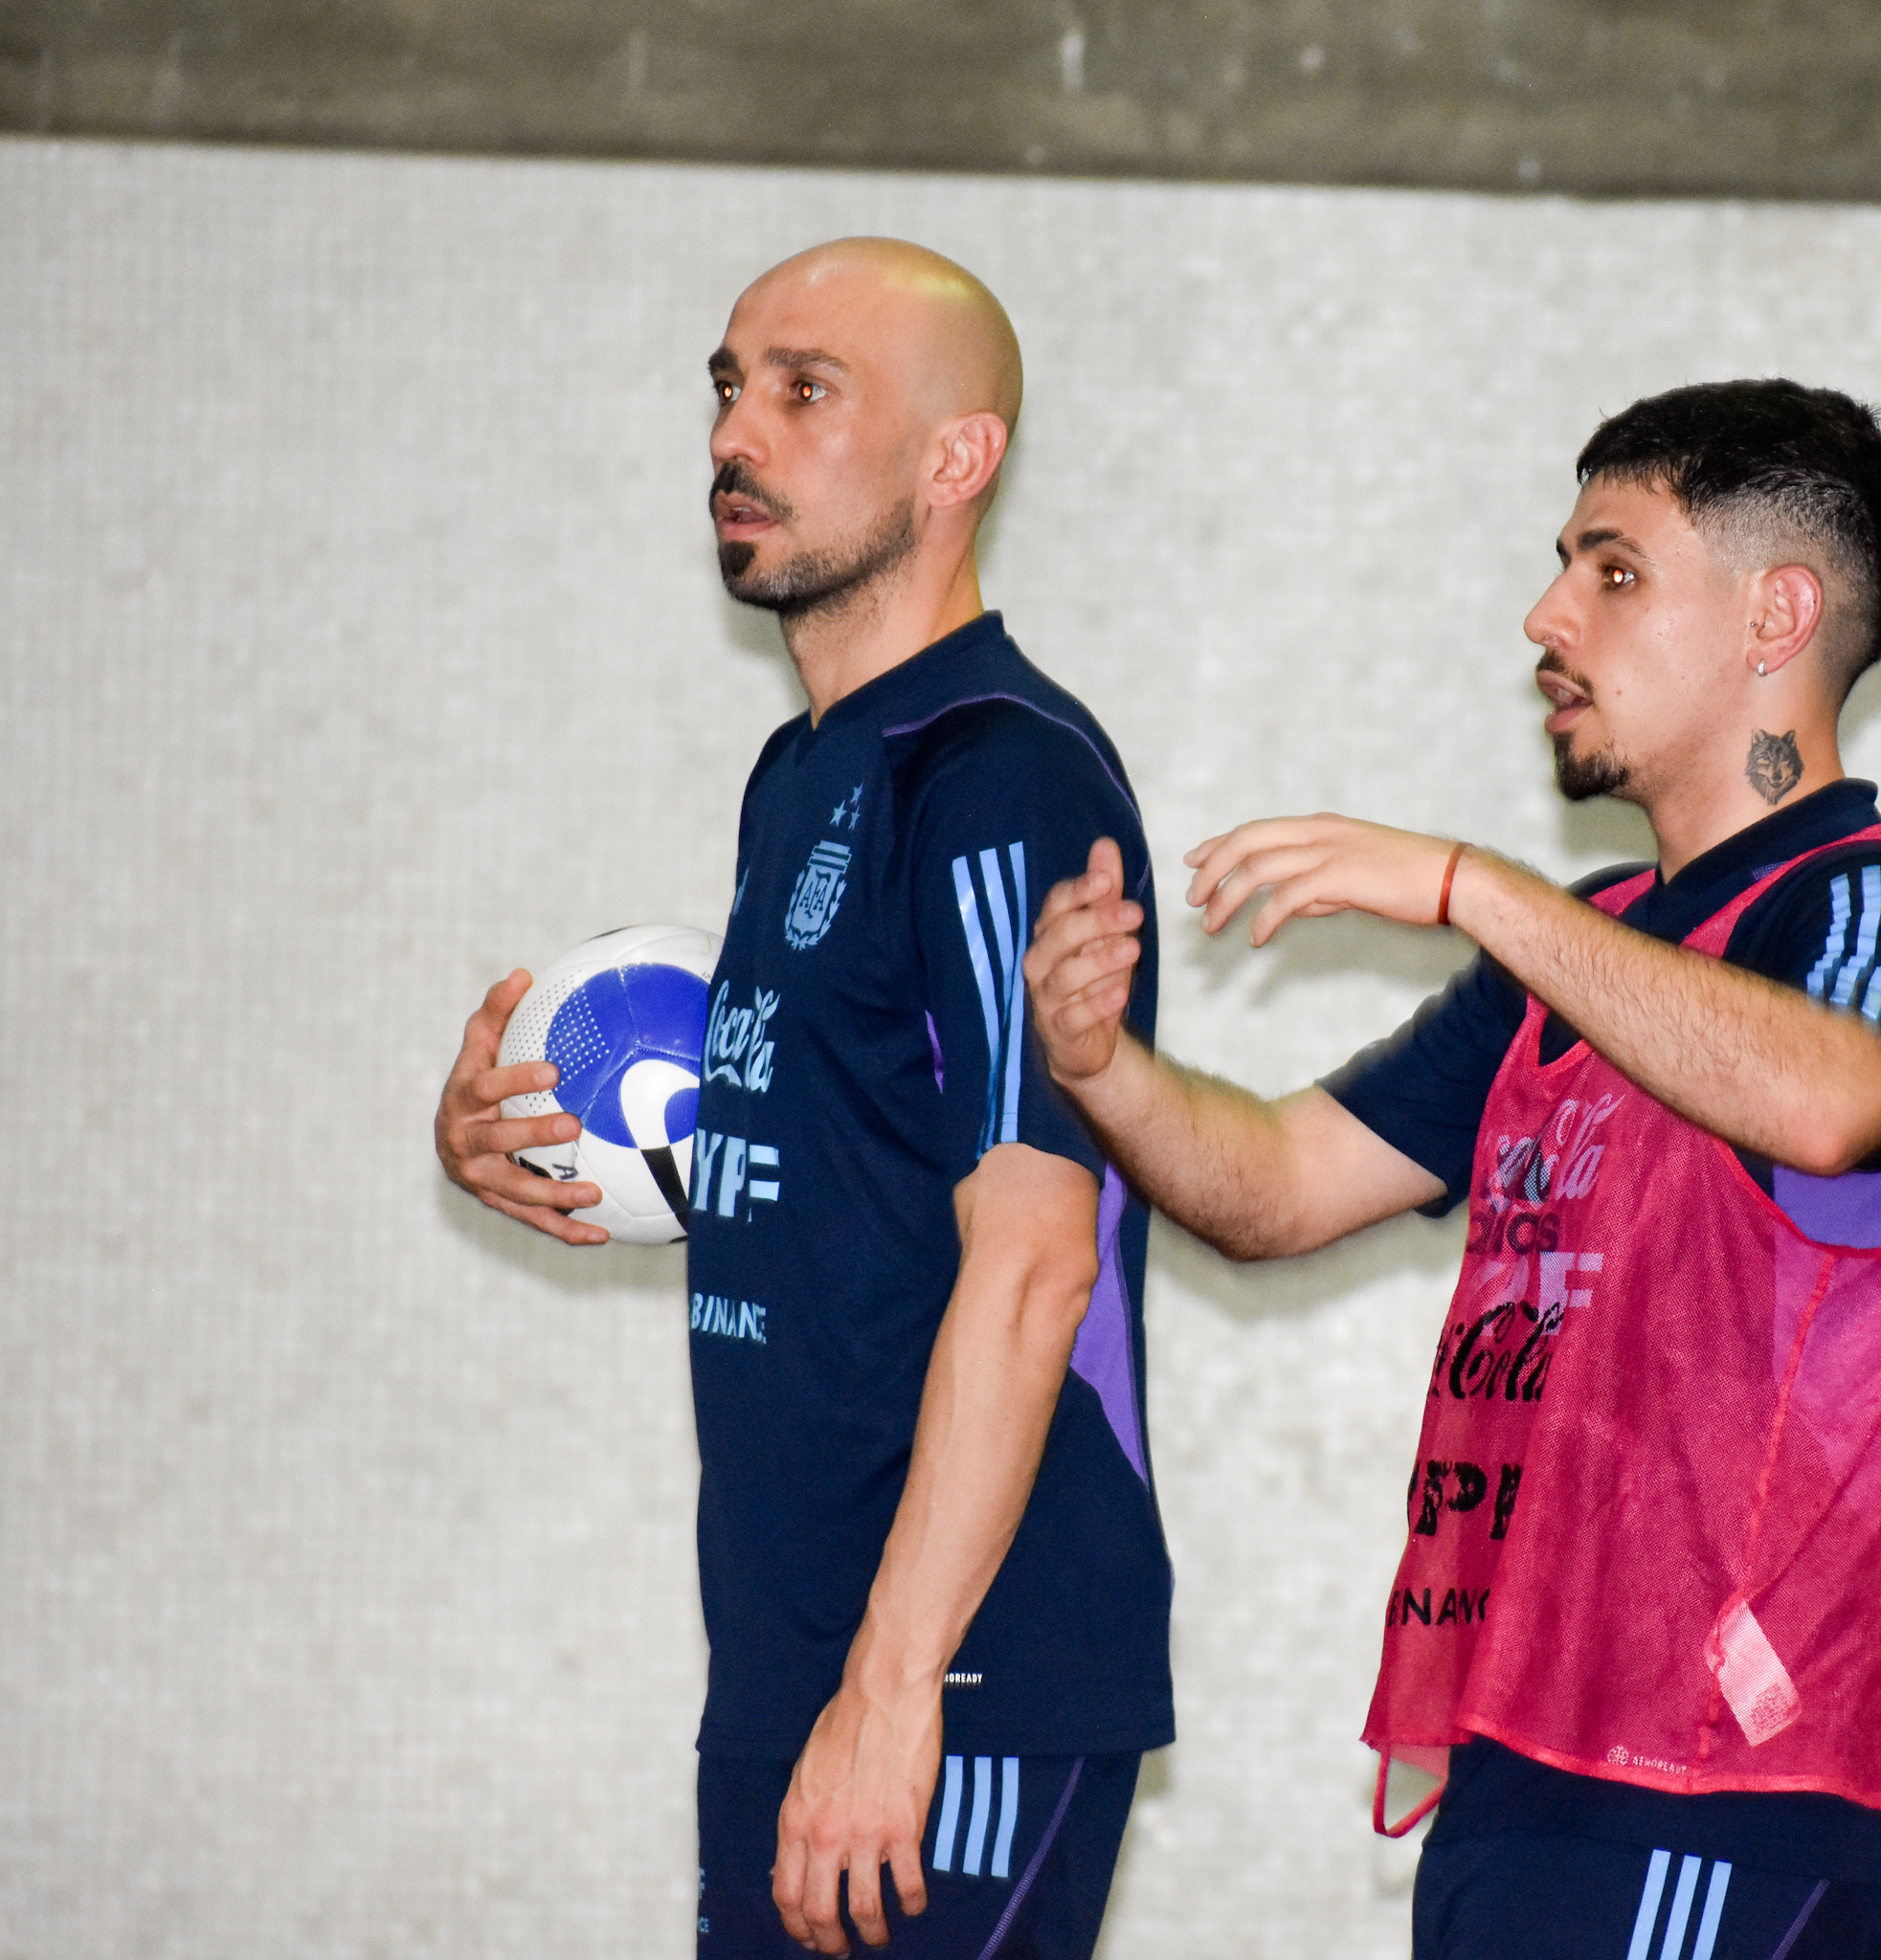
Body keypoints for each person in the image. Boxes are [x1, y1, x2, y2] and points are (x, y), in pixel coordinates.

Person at [1023, 380, 1881, 1959]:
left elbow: (1829, 1099)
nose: (1548, 613)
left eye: (1613, 570)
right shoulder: (1582, 944)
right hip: (1517, 1769)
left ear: (1779, 614)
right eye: (1564, 563)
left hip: (1719, 1795)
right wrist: (1103, 1073)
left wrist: (1469, 887)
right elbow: (1274, 1185)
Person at [433, 238, 1171, 1960]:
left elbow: (1038, 1255)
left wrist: (897, 1685)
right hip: (790, 1655)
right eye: (726, 385)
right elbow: (849, 1188)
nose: (733, 433)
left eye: (803, 389)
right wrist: (531, 1147)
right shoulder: (806, 773)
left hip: (957, 1681)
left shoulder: (999, 776)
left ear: (954, 459)